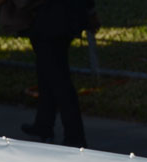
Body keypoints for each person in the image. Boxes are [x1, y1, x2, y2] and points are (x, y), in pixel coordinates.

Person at [20, 0, 98, 147]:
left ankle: (74, 136)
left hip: (52, 16)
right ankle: (44, 124)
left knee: (58, 77)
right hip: (65, 14)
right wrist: (90, 11)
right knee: (47, 69)